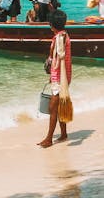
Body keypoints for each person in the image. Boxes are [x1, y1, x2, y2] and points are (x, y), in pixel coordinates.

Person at [38, 10, 72, 148]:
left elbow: (59, 59)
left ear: (52, 24)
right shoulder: (64, 35)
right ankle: (63, 134)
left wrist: (52, 70)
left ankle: (49, 139)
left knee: (53, 107)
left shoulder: (60, 38)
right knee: (59, 105)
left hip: (60, 77)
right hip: (62, 76)